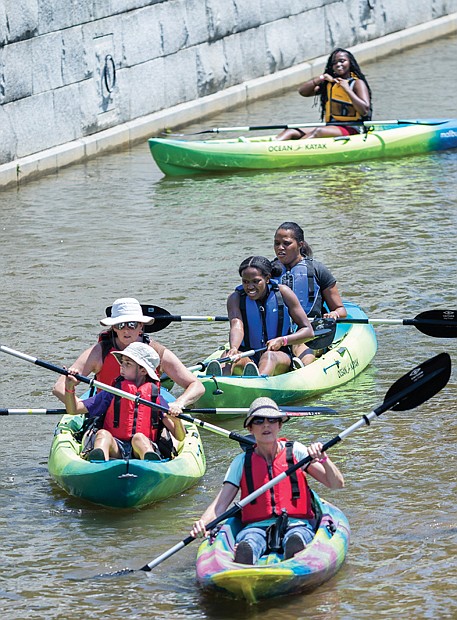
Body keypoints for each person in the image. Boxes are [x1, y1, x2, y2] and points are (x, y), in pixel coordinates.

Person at [191, 397, 344, 564]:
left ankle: (296, 552)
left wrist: (324, 459)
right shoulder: (241, 462)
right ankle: (246, 557)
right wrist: (203, 523)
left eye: (272, 420)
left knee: (296, 537)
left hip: (296, 523)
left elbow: (336, 484)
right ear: (250, 428)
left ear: (279, 426)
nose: (266, 425)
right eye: (258, 421)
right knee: (249, 542)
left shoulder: (297, 452)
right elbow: (220, 504)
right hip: (255, 527)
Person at [53, 297, 204, 416]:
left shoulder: (155, 352)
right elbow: (59, 387)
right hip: (107, 415)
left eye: (131, 324)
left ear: (140, 326)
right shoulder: (99, 352)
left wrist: (179, 403)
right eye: (120, 325)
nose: (126, 330)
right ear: (113, 327)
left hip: (147, 416)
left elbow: (196, 385)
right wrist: (81, 406)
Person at [64, 341, 186, 461]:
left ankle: (150, 464)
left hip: (143, 448)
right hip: (116, 447)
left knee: (139, 438)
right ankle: (99, 464)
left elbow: (180, 437)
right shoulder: (111, 392)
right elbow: (74, 409)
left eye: (128, 364)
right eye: (122, 362)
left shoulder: (155, 398)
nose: (121, 366)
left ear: (143, 370)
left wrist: (177, 420)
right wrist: (70, 387)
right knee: (103, 435)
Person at [209, 256, 314, 377]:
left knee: (269, 356)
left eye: (256, 281)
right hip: (249, 356)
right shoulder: (235, 298)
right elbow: (236, 326)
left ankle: (259, 382)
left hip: (278, 355)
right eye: (245, 282)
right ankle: (219, 385)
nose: (250, 287)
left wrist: (282, 340)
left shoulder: (284, 293)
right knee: (227, 357)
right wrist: (233, 348)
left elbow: (308, 331)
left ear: (267, 278)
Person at [273, 222, 347, 365]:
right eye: (277, 243)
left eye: (286, 243)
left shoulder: (317, 270)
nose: (280, 248)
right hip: (277, 332)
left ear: (300, 244)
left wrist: (334, 314)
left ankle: (303, 367)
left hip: (309, 331)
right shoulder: (267, 271)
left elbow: (340, 309)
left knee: (301, 345)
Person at [276, 48, 372, 141]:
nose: (338, 64)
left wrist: (347, 89)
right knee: (292, 130)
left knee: (319, 131)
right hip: (331, 126)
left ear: (350, 63)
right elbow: (303, 92)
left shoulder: (358, 83)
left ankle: (293, 150)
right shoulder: (329, 84)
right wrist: (322, 78)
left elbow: (364, 110)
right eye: (334, 63)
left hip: (353, 128)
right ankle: (272, 146)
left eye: (342, 61)